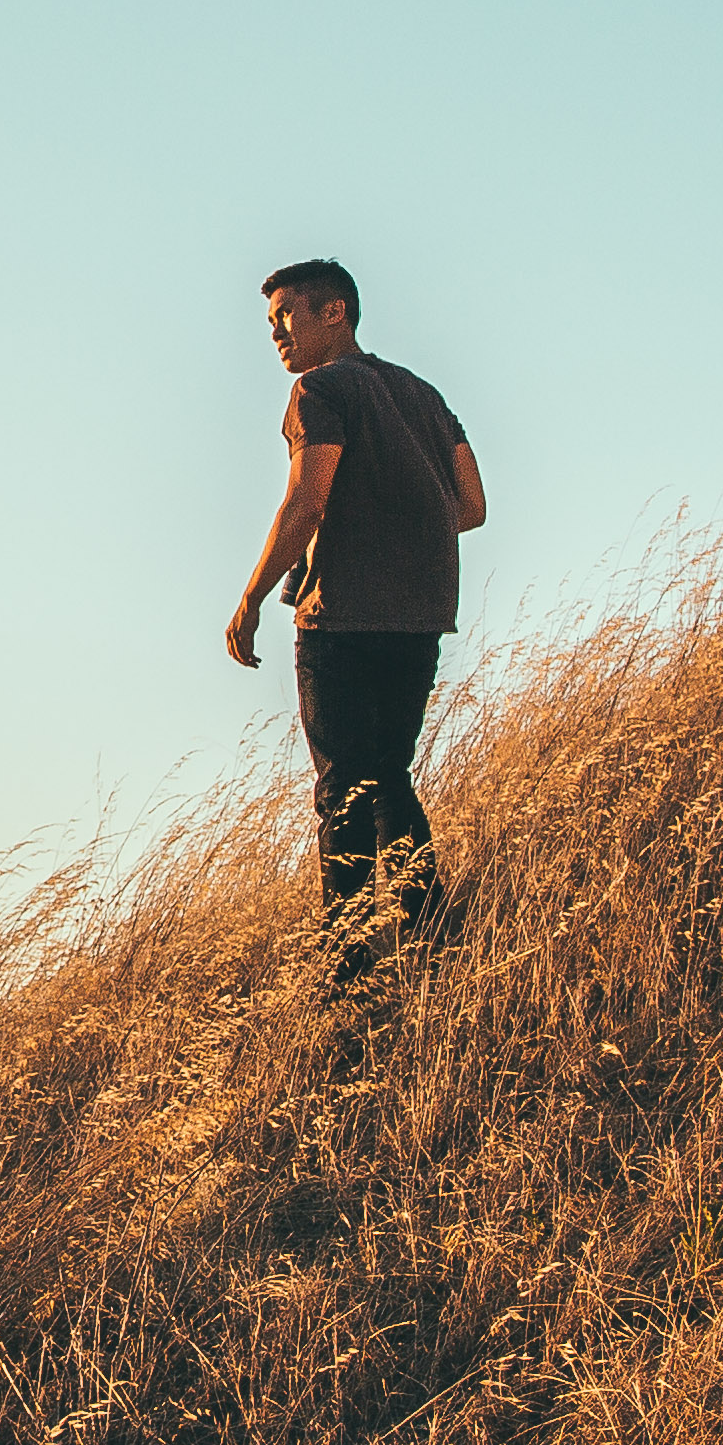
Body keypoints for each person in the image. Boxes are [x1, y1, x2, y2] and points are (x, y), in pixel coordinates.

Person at [225, 260, 486, 976]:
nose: (276, 333)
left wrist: (251, 599)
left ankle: (344, 966)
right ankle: (430, 936)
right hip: (420, 617)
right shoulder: (424, 396)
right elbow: (470, 506)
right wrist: (400, 527)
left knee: (342, 788)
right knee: (388, 776)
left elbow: (306, 499)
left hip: (339, 617)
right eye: (271, 322)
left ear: (334, 311)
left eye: (287, 315)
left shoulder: (319, 390)